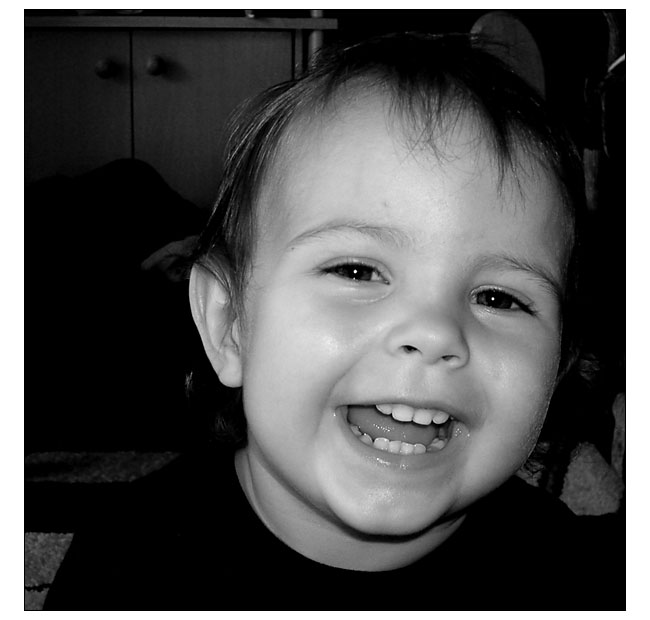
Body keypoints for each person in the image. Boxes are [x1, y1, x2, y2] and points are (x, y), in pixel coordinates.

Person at [44, 32, 624, 610]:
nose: (433, 333)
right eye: (357, 271)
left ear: (559, 362)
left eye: (498, 298)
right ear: (230, 322)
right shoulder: (127, 567)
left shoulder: (573, 579)